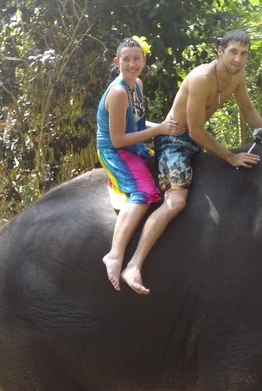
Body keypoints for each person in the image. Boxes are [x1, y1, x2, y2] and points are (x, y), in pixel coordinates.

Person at [124, 29, 262, 295]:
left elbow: (247, 109)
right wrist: (230, 156)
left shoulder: (237, 75)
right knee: (176, 202)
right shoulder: (202, 78)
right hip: (175, 141)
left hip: (194, 140)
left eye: (244, 54)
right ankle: (134, 264)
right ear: (220, 51)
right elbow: (194, 131)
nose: (238, 59)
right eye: (233, 52)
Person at [97, 36, 185, 291]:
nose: (132, 64)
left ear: (144, 61)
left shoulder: (138, 85)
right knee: (144, 192)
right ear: (117, 62)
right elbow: (118, 138)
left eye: (136, 59)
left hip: (134, 145)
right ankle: (114, 254)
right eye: (126, 59)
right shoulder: (117, 93)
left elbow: (136, 125)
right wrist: (159, 131)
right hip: (115, 151)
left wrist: (165, 128)